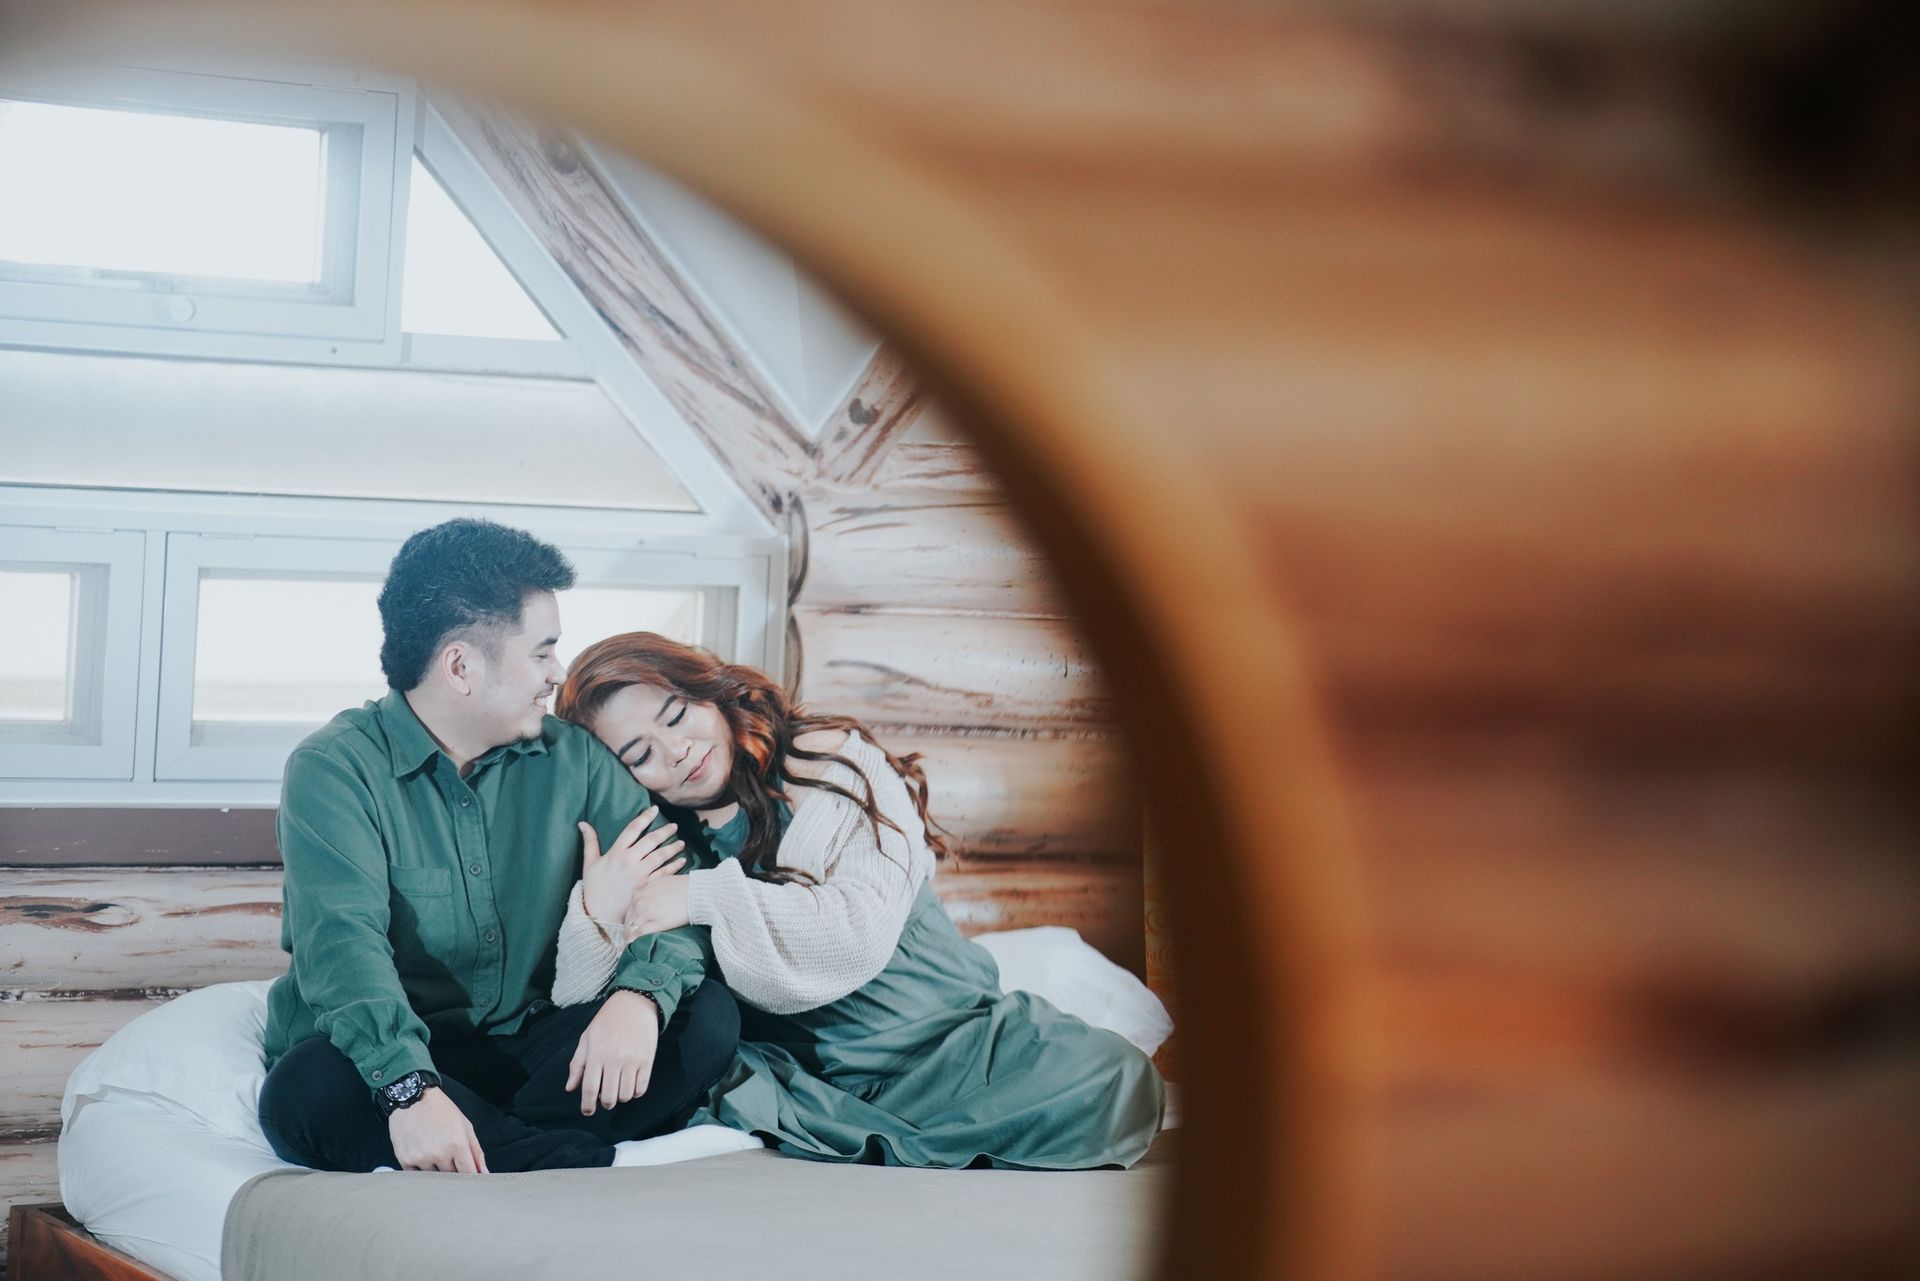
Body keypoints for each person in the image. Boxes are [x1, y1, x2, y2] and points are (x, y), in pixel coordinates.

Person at [550, 632, 1165, 1169]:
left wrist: (702, 895)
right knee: (696, 1061)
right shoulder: (666, 840)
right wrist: (600, 915)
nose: (676, 750)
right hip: (820, 1073)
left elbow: (858, 931)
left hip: (948, 1032)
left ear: (710, 692)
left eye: (677, 715)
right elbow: (595, 991)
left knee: (1120, 1080)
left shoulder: (830, 761)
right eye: (640, 755)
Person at [258, 520, 739, 1175]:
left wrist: (639, 998)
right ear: (461, 667)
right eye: (541, 652)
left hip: (523, 1047)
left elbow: (670, 889)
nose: (556, 674)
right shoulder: (334, 769)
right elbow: (343, 950)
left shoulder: (575, 759)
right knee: (305, 1090)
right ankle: (557, 1159)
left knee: (704, 1017)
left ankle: (497, 1149)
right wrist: (408, 1089)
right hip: (387, 1058)